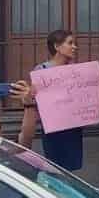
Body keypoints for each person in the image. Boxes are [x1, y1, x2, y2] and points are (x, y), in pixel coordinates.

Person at [27, 30, 90, 171]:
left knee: (71, 170)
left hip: (73, 128)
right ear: (57, 46)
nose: (75, 47)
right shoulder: (41, 70)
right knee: (55, 168)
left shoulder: (77, 71)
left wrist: (96, 85)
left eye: (74, 43)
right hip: (53, 129)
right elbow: (35, 99)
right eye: (70, 43)